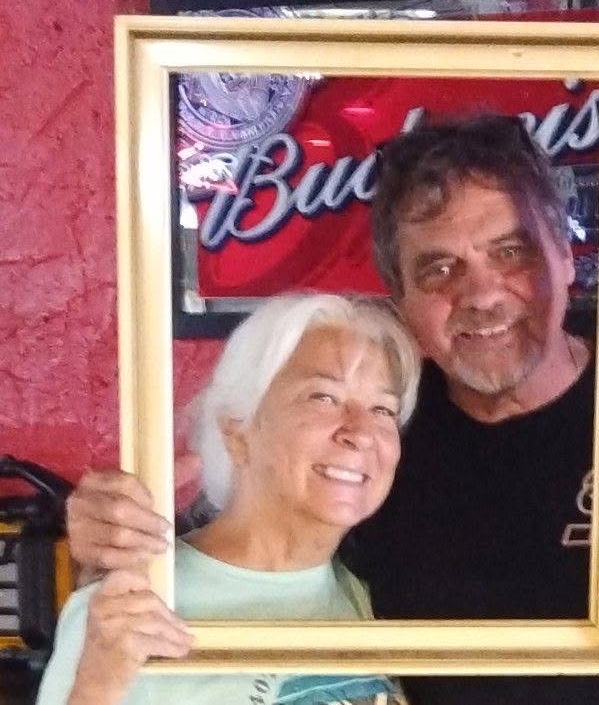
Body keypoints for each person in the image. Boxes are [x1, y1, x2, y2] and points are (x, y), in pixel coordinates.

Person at [66, 116, 599, 704]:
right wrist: (114, 536)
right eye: (440, 268)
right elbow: (221, 552)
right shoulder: (375, 442)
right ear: (402, 299)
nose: (481, 295)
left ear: (565, 254)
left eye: (510, 252)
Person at [38, 293, 420, 705]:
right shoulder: (131, 604)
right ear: (236, 432)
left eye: (383, 409)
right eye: (323, 397)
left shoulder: (357, 591)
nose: (360, 432)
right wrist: (96, 686)